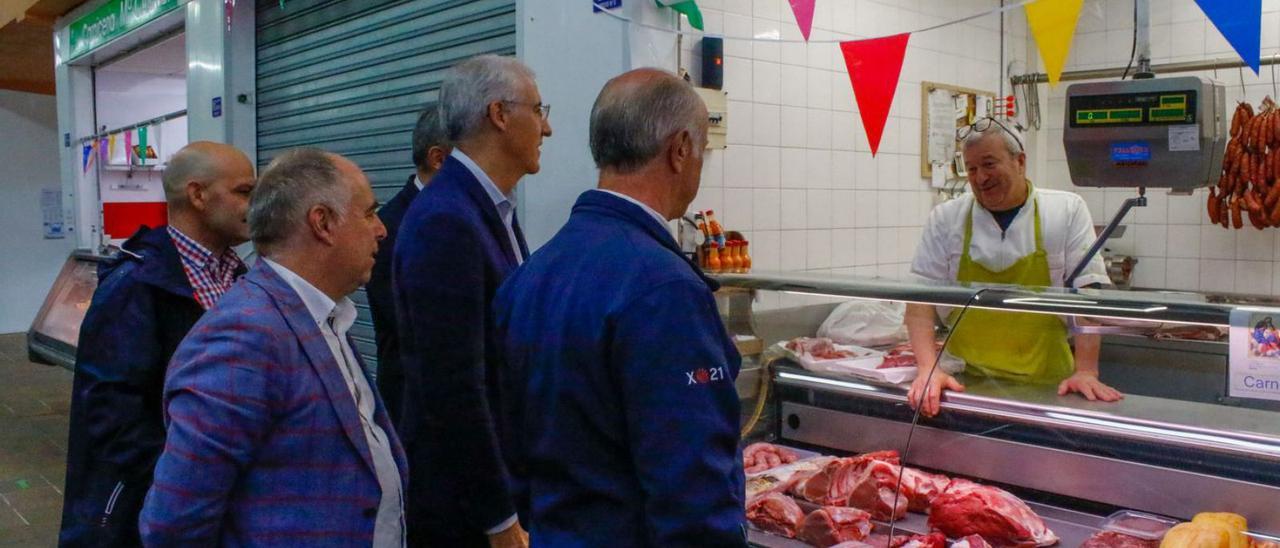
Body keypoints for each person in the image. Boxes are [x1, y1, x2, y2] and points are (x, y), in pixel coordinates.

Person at [494, 68, 747, 547]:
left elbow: (515, 448)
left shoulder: (531, 274)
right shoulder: (664, 290)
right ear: (679, 150)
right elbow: (693, 492)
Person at [138, 148, 405, 546]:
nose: (381, 229)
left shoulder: (319, 314)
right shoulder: (243, 338)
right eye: (368, 212)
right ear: (323, 223)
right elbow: (174, 525)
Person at [59, 141, 254, 547]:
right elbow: (112, 414)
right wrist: (188, 476)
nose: (256, 204)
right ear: (198, 195)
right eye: (243, 191)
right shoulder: (135, 285)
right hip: (153, 507)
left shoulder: (238, 275)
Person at [393, 54, 551, 548]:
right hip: (461, 511)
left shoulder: (490, 208)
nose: (546, 128)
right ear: (499, 114)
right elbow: (452, 386)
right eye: (539, 110)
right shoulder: (447, 220)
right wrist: (498, 518)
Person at [906, 117, 1123, 417]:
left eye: (989, 164)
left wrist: (1087, 371)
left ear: (1019, 161)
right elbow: (919, 302)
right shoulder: (946, 218)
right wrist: (928, 369)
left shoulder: (1066, 210)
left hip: (1047, 385)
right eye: (971, 168)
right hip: (963, 384)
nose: (980, 177)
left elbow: (1088, 295)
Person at [366, 107, 451, 426]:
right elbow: (414, 325)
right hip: (414, 410)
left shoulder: (478, 216)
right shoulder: (391, 228)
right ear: (438, 159)